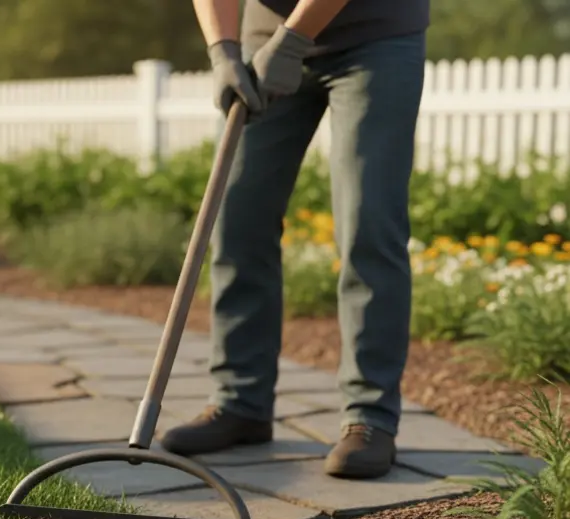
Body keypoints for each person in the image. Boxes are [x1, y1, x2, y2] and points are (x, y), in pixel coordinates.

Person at [159, 0, 431, 479]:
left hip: (376, 37)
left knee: (368, 221)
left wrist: (294, 40)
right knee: (238, 215)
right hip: (264, 39)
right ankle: (240, 402)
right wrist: (223, 51)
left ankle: (369, 417)